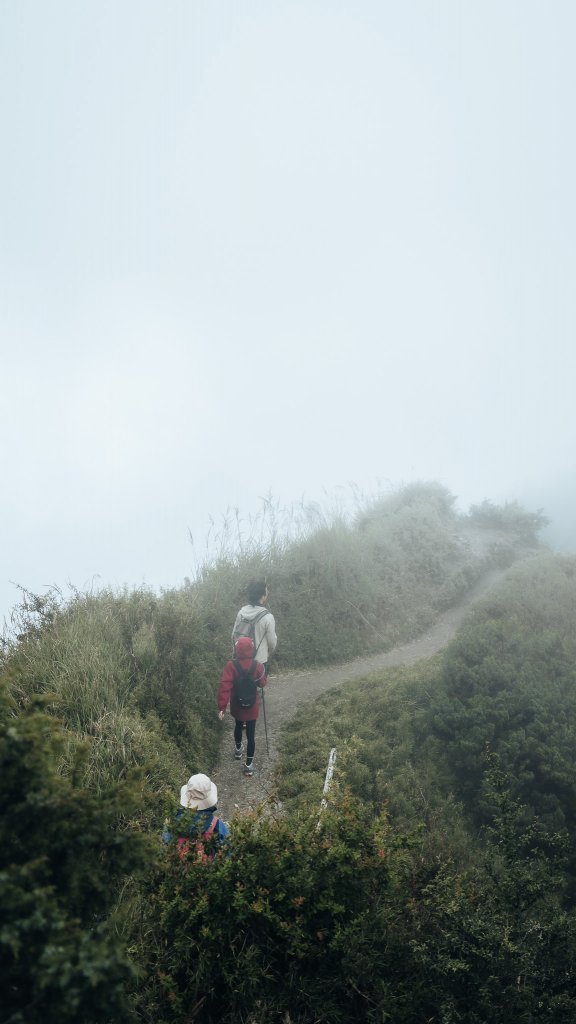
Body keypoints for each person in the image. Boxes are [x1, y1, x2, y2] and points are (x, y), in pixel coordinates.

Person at [218, 636, 267, 777]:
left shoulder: (231, 665)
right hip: (252, 706)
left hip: (237, 704)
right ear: (251, 649)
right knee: (251, 735)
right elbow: (262, 683)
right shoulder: (257, 665)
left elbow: (224, 686)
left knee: (238, 725)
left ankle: (238, 750)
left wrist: (222, 707)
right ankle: (249, 766)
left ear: (237, 649)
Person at [162, 773, 230, 856]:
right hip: (206, 868)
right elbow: (229, 852)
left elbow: (164, 848)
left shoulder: (172, 822)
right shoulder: (217, 825)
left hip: (176, 867)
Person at [232, 579, 277, 673]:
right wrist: (268, 653)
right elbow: (272, 643)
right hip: (260, 661)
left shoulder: (241, 613)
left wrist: (236, 652)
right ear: (262, 596)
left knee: (242, 685)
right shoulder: (268, 617)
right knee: (257, 685)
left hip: (241, 661)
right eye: (266, 592)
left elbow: (233, 636)